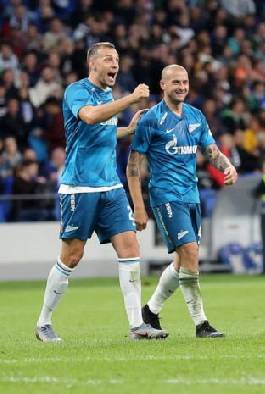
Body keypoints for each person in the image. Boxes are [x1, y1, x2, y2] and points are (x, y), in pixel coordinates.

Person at [35, 42, 166, 342]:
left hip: (110, 186)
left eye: (117, 59)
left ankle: (137, 326)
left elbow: (104, 130)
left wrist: (128, 130)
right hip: (79, 187)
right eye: (108, 59)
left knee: (130, 248)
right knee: (72, 256)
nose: (115, 64)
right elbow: (92, 117)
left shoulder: (108, 95)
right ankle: (43, 322)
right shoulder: (76, 91)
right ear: (92, 64)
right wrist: (131, 99)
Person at [129, 64, 237, 338]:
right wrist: (138, 205)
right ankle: (201, 324)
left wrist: (227, 165)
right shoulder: (151, 120)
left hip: (191, 196)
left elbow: (211, 150)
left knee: (182, 261)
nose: (182, 87)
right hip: (165, 196)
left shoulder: (196, 116)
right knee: (190, 253)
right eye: (176, 82)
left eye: (185, 82)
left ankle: (150, 312)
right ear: (163, 85)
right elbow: (133, 165)